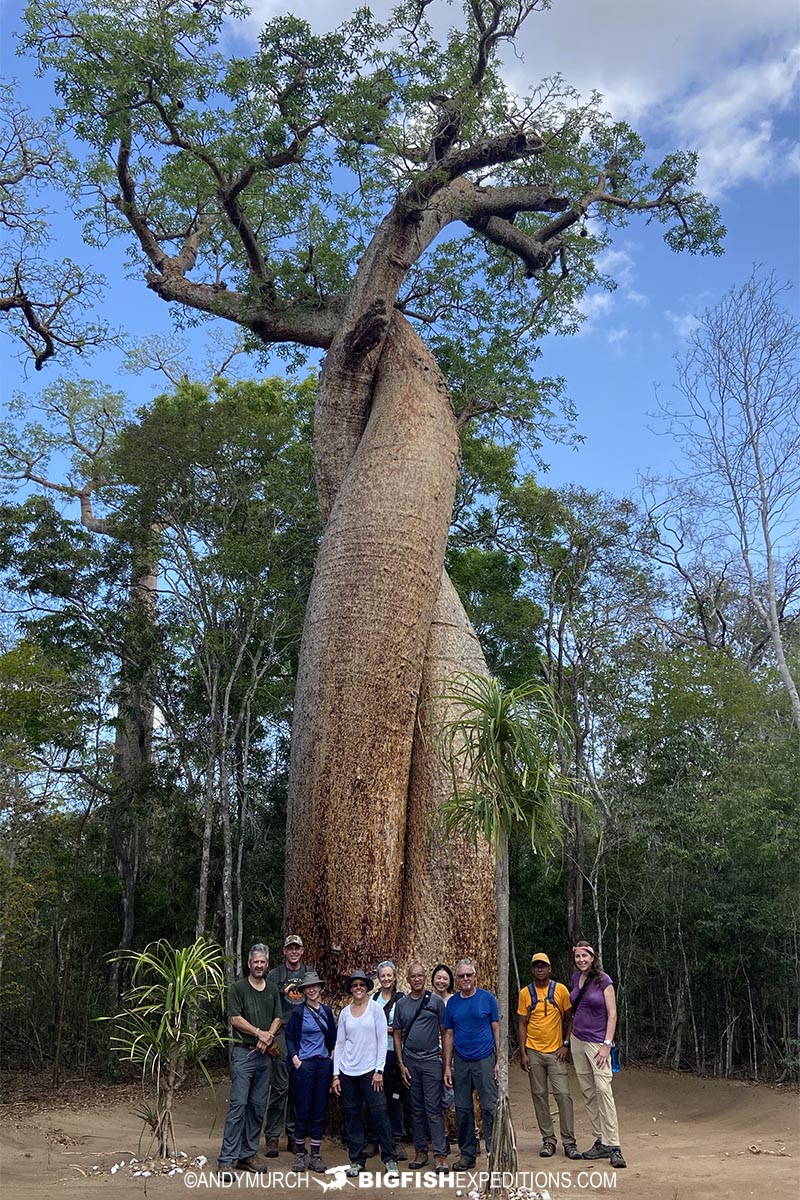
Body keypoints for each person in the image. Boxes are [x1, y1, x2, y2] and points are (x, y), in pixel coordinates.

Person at [217, 943, 282, 1180]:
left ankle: (247, 1154)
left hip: (265, 1056)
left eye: (263, 961)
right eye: (256, 961)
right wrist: (258, 1033)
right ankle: (226, 1160)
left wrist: (269, 1036)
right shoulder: (238, 988)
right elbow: (234, 1018)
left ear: (267, 964)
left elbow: (278, 1017)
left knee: (257, 1107)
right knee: (238, 1105)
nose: (259, 965)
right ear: (249, 964)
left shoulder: (272, 989)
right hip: (244, 1054)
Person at [332, 969, 400, 1180]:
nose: (358, 988)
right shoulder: (345, 1013)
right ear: (350, 989)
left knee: (379, 1112)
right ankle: (357, 1160)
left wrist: (379, 1070)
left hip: (371, 1070)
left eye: (362, 985)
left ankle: (390, 1159)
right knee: (352, 1114)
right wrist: (336, 1074)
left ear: (367, 988)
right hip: (348, 1070)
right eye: (355, 985)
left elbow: (382, 1040)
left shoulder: (375, 1009)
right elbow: (340, 1044)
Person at [516, 951, 581, 1160]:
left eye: (543, 966)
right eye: (536, 966)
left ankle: (569, 1142)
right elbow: (522, 1023)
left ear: (550, 969)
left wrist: (566, 1044)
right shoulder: (525, 993)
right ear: (532, 969)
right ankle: (548, 1140)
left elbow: (571, 1019)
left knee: (563, 1095)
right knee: (539, 1096)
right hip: (533, 1051)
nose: (540, 969)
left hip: (556, 1052)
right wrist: (523, 1053)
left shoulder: (560, 990)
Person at [570, 941, 627, 1169]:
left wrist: (606, 1045)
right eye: (578, 956)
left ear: (592, 957)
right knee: (588, 1091)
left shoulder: (604, 980)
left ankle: (614, 1145)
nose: (581, 960)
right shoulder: (576, 978)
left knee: (603, 1090)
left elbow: (612, 1014)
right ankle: (600, 1139)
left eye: (585, 956)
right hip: (578, 1039)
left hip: (597, 1043)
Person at [442, 958, 499, 1169]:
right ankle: (467, 1154)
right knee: (463, 1109)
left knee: (490, 1107)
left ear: (475, 976)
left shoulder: (487, 999)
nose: (465, 978)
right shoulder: (453, 1003)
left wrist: (499, 1061)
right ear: (456, 979)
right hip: (461, 1060)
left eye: (469, 975)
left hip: (484, 1059)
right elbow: (449, 1034)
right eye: (461, 976)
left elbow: (496, 1029)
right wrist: (447, 1066)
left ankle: (494, 1153)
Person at [393, 962, 449, 1173]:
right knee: (415, 1108)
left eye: (420, 976)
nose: (417, 979)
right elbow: (397, 1035)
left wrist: (446, 1063)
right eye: (413, 976)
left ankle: (440, 1155)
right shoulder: (402, 1004)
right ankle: (420, 1151)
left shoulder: (436, 1002)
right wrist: (401, 1064)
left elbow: (444, 1032)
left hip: (431, 1061)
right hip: (410, 1062)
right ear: (408, 979)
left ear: (425, 978)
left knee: (433, 1108)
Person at [265, 934, 312, 1156]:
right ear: (284, 951)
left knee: (298, 1086)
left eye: (297, 948)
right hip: (282, 1032)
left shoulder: (309, 973)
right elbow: (268, 1004)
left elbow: (315, 1001)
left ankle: (294, 1135)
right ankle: (272, 1136)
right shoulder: (275, 975)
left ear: (302, 951)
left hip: (304, 1035)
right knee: (280, 1086)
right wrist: (269, 1036)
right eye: (290, 948)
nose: (294, 952)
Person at [285, 970, 336, 1174]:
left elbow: (333, 1036)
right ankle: (300, 1153)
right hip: (304, 1065)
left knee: (319, 1109)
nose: (312, 990)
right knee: (303, 1109)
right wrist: (295, 1059)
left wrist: (331, 1057)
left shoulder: (327, 1011)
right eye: (308, 987)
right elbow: (289, 1037)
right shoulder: (298, 1013)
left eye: (315, 986)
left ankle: (315, 1154)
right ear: (304, 991)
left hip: (323, 1065)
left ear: (320, 988)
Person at [371, 960, 408, 1155]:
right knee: (374, 1096)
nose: (386, 979)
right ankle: (373, 1138)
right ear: (378, 978)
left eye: (389, 975)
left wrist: (388, 1029)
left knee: (394, 1096)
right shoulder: (373, 999)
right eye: (382, 975)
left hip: (393, 1053)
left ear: (394, 978)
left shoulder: (401, 1000)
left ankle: (397, 1137)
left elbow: (405, 1026)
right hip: (374, 1054)